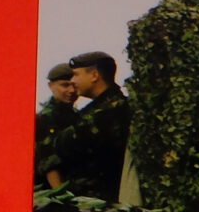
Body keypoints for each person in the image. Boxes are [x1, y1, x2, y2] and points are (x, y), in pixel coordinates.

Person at [49, 50, 131, 202]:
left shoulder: (108, 112)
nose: (72, 80)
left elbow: (61, 145)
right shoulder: (101, 108)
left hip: (99, 202)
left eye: (76, 74)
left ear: (94, 75)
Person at [34, 63, 79, 188]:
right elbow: (49, 163)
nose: (71, 90)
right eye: (65, 85)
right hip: (52, 190)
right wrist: (62, 195)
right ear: (50, 86)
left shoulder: (76, 115)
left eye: (74, 85)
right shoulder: (44, 118)